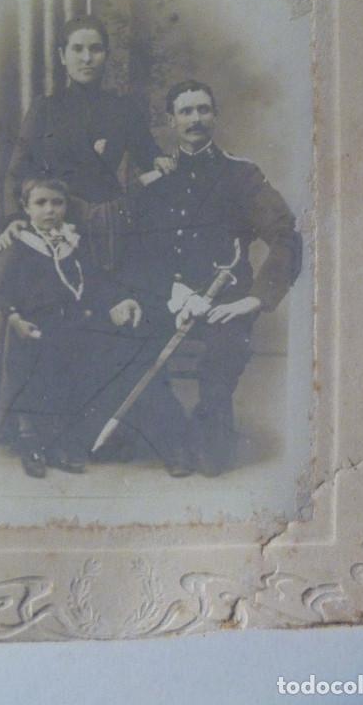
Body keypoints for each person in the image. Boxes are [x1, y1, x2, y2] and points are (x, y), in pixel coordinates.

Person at [121, 80, 302, 476]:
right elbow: (135, 248)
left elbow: (285, 235)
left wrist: (255, 299)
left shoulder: (242, 175)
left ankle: (209, 429)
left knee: (225, 352)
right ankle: (172, 435)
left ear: (215, 116)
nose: (195, 119)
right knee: (125, 341)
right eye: (185, 111)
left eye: (203, 109)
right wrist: (134, 295)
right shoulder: (156, 181)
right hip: (168, 295)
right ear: (171, 121)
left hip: (226, 298)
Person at [0, 176, 190, 478]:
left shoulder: (73, 242)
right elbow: (1, 290)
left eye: (57, 203)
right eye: (40, 203)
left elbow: (96, 282)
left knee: (100, 359)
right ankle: (30, 441)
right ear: (26, 208)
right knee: (40, 367)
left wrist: (119, 301)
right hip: (37, 324)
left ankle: (65, 441)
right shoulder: (19, 245)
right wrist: (14, 317)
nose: (50, 210)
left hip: (75, 322)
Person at [0, 14, 174, 270]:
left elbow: (149, 155)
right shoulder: (45, 109)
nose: (87, 58)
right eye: (77, 49)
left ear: (106, 55)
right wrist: (14, 216)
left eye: (96, 49)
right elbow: (18, 170)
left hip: (109, 225)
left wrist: (159, 160)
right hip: (58, 222)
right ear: (62, 56)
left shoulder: (123, 109)